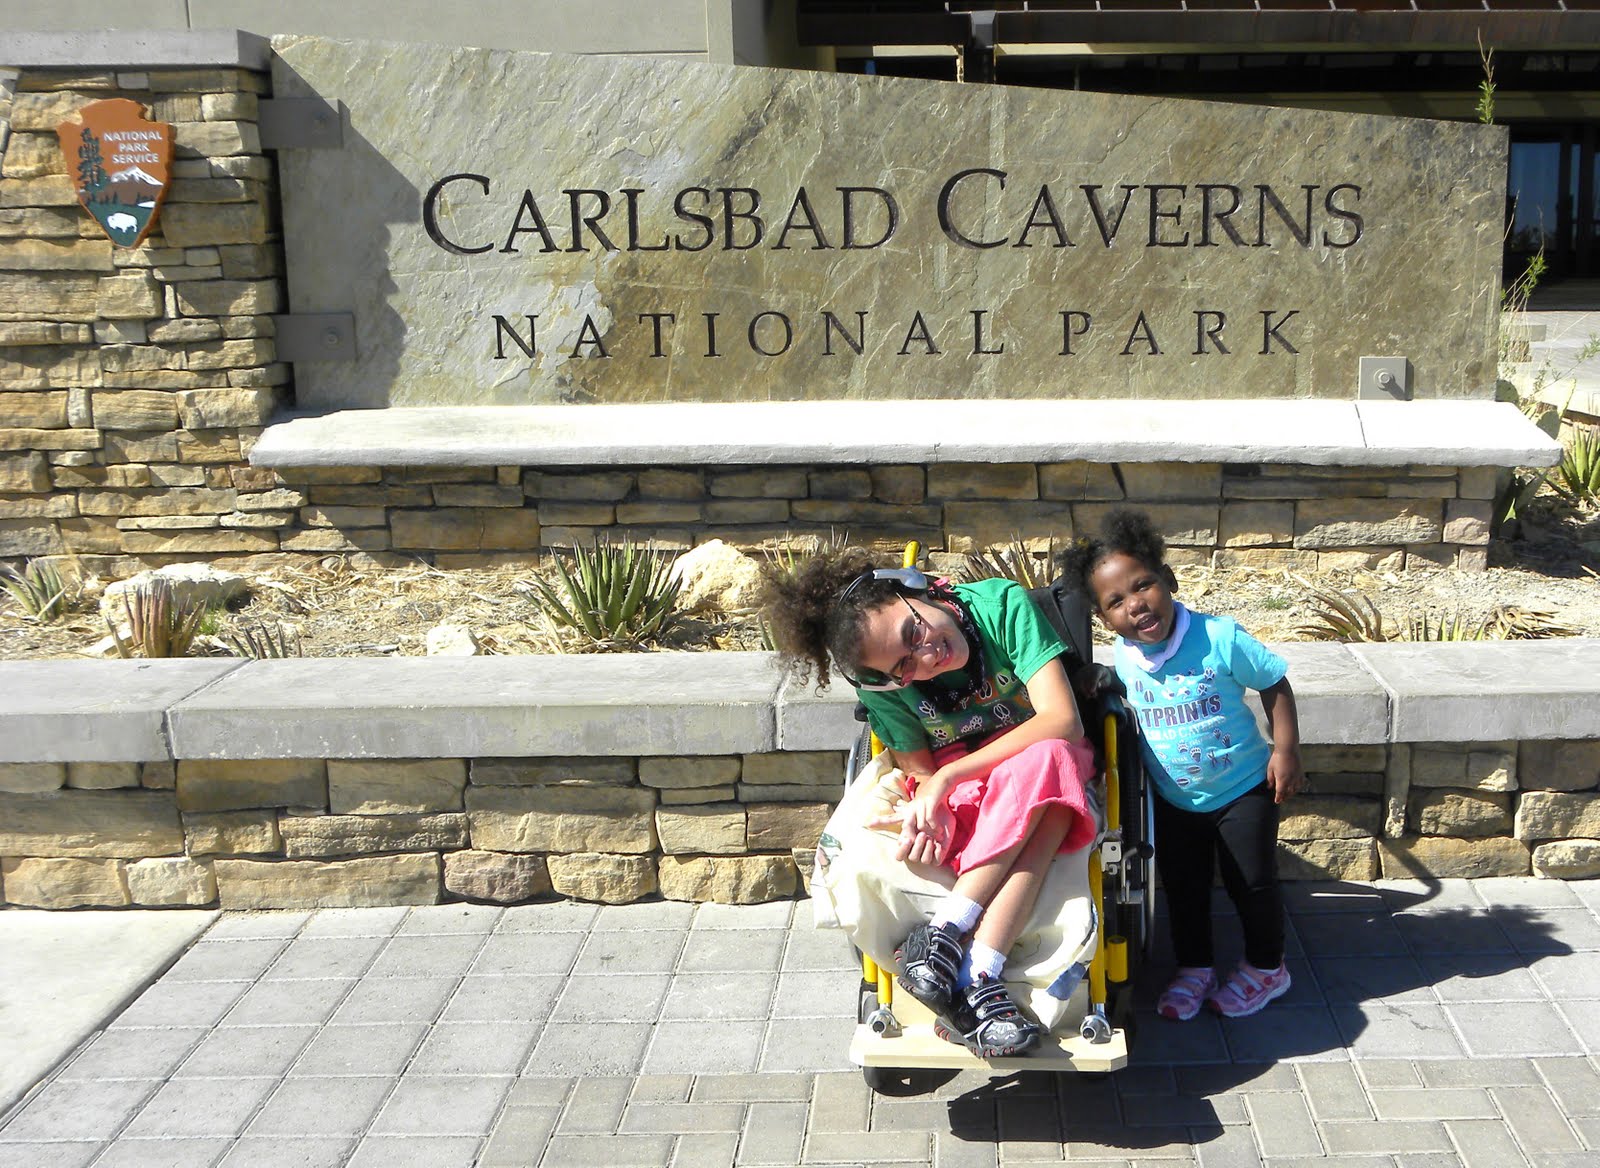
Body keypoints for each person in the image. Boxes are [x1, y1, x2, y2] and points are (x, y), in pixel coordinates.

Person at [760, 546, 1099, 1057]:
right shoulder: (883, 686)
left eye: (912, 632)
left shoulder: (1001, 607)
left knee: (1051, 760)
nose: (924, 659)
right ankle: (980, 974)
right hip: (966, 787)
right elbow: (919, 769)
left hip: (1030, 760)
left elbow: (1062, 720)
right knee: (1044, 803)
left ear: (914, 589)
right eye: (902, 668)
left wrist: (947, 779)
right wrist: (933, 800)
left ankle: (946, 934)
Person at [1060, 509, 1304, 1021]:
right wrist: (1095, 678)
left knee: (1252, 883)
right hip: (1172, 799)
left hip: (1243, 787)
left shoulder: (1219, 637)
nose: (1135, 604)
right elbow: (1127, 693)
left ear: (1168, 580)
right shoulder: (1125, 656)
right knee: (1184, 888)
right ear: (1104, 619)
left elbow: (1274, 683)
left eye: (1143, 585)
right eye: (1116, 602)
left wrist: (1285, 750)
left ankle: (1267, 967)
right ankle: (1195, 967)